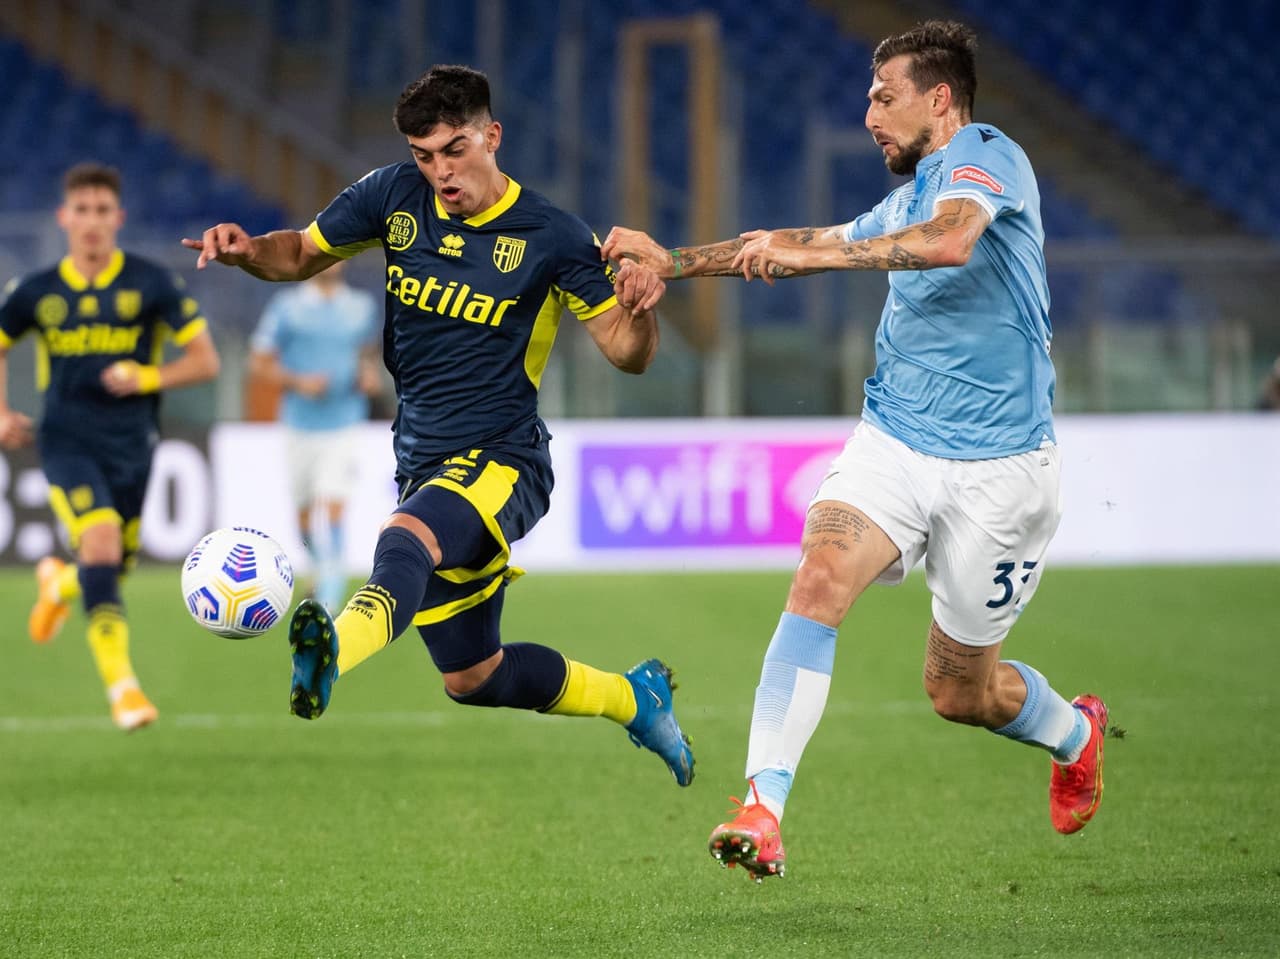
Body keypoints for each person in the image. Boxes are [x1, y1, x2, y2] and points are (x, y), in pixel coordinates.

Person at [602, 20, 1108, 879]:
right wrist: (673, 261)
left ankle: (1074, 732)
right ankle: (762, 808)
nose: (869, 115)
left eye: (884, 97)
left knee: (960, 692)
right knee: (820, 574)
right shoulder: (905, 201)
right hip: (896, 440)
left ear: (940, 100)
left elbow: (950, 240)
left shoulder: (989, 157)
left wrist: (825, 261)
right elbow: (801, 243)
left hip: (1003, 472)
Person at [183, 64, 693, 786]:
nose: (441, 172)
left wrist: (640, 312)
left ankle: (334, 650)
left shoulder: (552, 235)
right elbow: (298, 252)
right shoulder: (392, 196)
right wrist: (248, 251)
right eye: (424, 156)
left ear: (492, 136)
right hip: (423, 462)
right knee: (473, 676)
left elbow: (626, 353)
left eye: (455, 149)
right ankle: (634, 699)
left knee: (405, 536)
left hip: (505, 459)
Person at [0, 162, 221, 731]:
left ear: (117, 218)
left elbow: (206, 361)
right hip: (65, 440)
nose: (92, 221)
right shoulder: (36, 291)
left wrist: (147, 377)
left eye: (102, 211)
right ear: (64, 217)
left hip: (133, 445)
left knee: (109, 568)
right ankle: (124, 689)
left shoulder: (151, 283)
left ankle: (58, 582)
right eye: (82, 210)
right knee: (99, 542)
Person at [248, 261, 381, 612]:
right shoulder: (287, 307)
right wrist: (298, 382)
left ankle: (329, 598)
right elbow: (259, 362)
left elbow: (367, 354)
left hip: (344, 422)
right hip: (299, 424)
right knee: (304, 516)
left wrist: (368, 376)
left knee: (334, 507)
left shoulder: (361, 307)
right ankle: (318, 567)